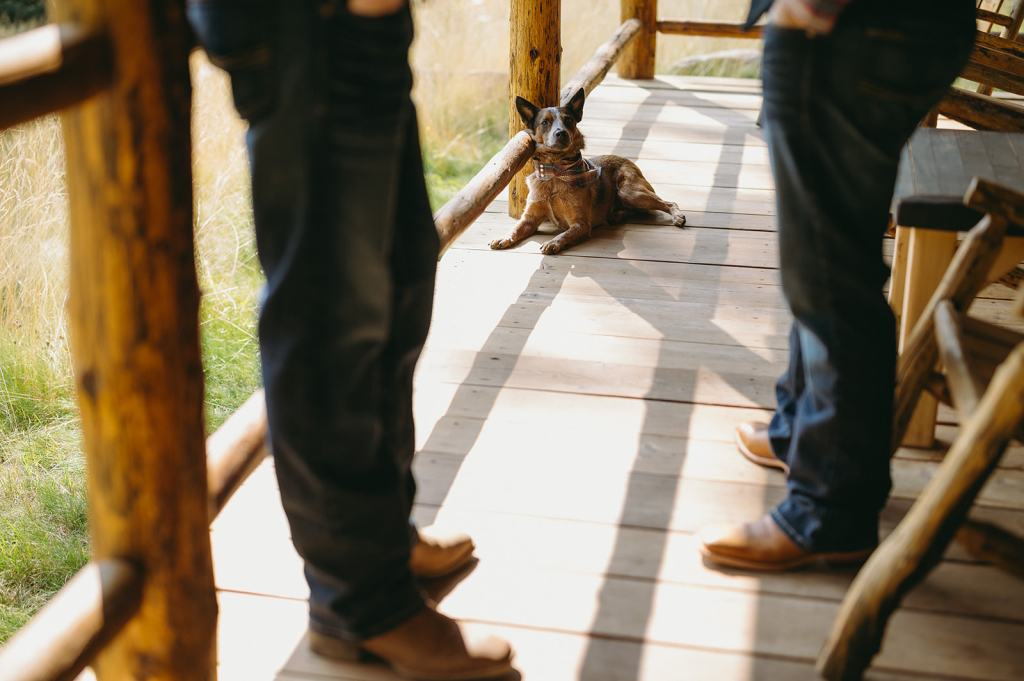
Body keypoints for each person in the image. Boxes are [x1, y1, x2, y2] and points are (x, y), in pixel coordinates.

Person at [186, 0, 514, 677]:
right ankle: (359, 601)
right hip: (303, 31)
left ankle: (380, 539)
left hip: (362, 30)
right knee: (331, 321)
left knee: (397, 291)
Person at [699, 0, 977, 570]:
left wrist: (807, 9)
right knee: (826, 250)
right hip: (891, 26)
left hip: (850, 29)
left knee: (829, 273)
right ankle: (800, 432)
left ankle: (829, 510)